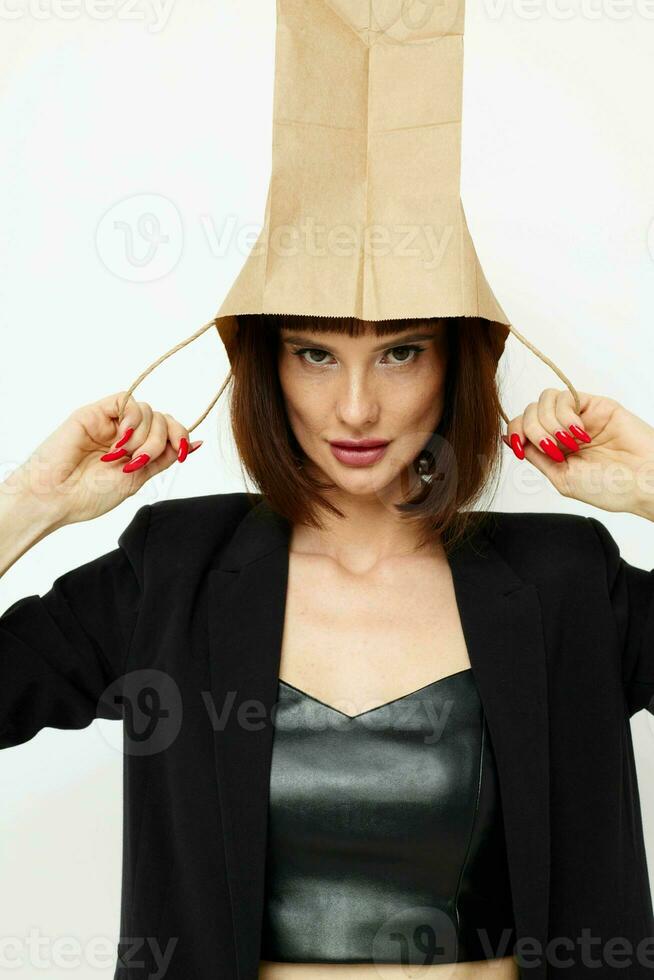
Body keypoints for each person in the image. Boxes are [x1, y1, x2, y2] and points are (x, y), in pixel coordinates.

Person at [1, 313, 654, 980]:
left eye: (400, 354)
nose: (355, 408)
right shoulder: (174, 572)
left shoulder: (562, 580)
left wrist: (650, 485)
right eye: (315, 354)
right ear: (268, 369)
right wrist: (32, 501)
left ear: (457, 365)